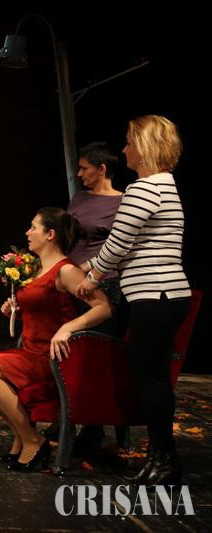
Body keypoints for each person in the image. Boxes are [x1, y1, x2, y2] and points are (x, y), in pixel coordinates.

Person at [77, 115, 191, 486]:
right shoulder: (165, 185)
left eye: (129, 142)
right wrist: (89, 267)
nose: (124, 149)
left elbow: (118, 245)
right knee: (152, 378)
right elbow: (126, 245)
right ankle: (161, 458)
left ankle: (165, 460)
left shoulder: (144, 189)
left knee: (150, 380)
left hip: (155, 295)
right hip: (165, 295)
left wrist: (90, 278)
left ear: (143, 147)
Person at [0, 208, 111, 471]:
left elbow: (103, 307)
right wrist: (16, 309)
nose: (28, 232)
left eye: (33, 227)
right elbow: (42, 308)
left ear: (50, 234)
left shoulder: (66, 270)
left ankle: (33, 441)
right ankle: (23, 437)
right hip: (29, 351)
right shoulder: (35, 267)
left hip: (50, 358)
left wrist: (69, 327)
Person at [64, 142, 125, 453]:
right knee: (67, 352)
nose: (79, 173)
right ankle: (66, 416)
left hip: (100, 285)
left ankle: (93, 426)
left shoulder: (122, 203)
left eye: (85, 168)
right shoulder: (80, 197)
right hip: (71, 281)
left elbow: (118, 248)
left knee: (91, 354)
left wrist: (90, 274)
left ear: (102, 169)